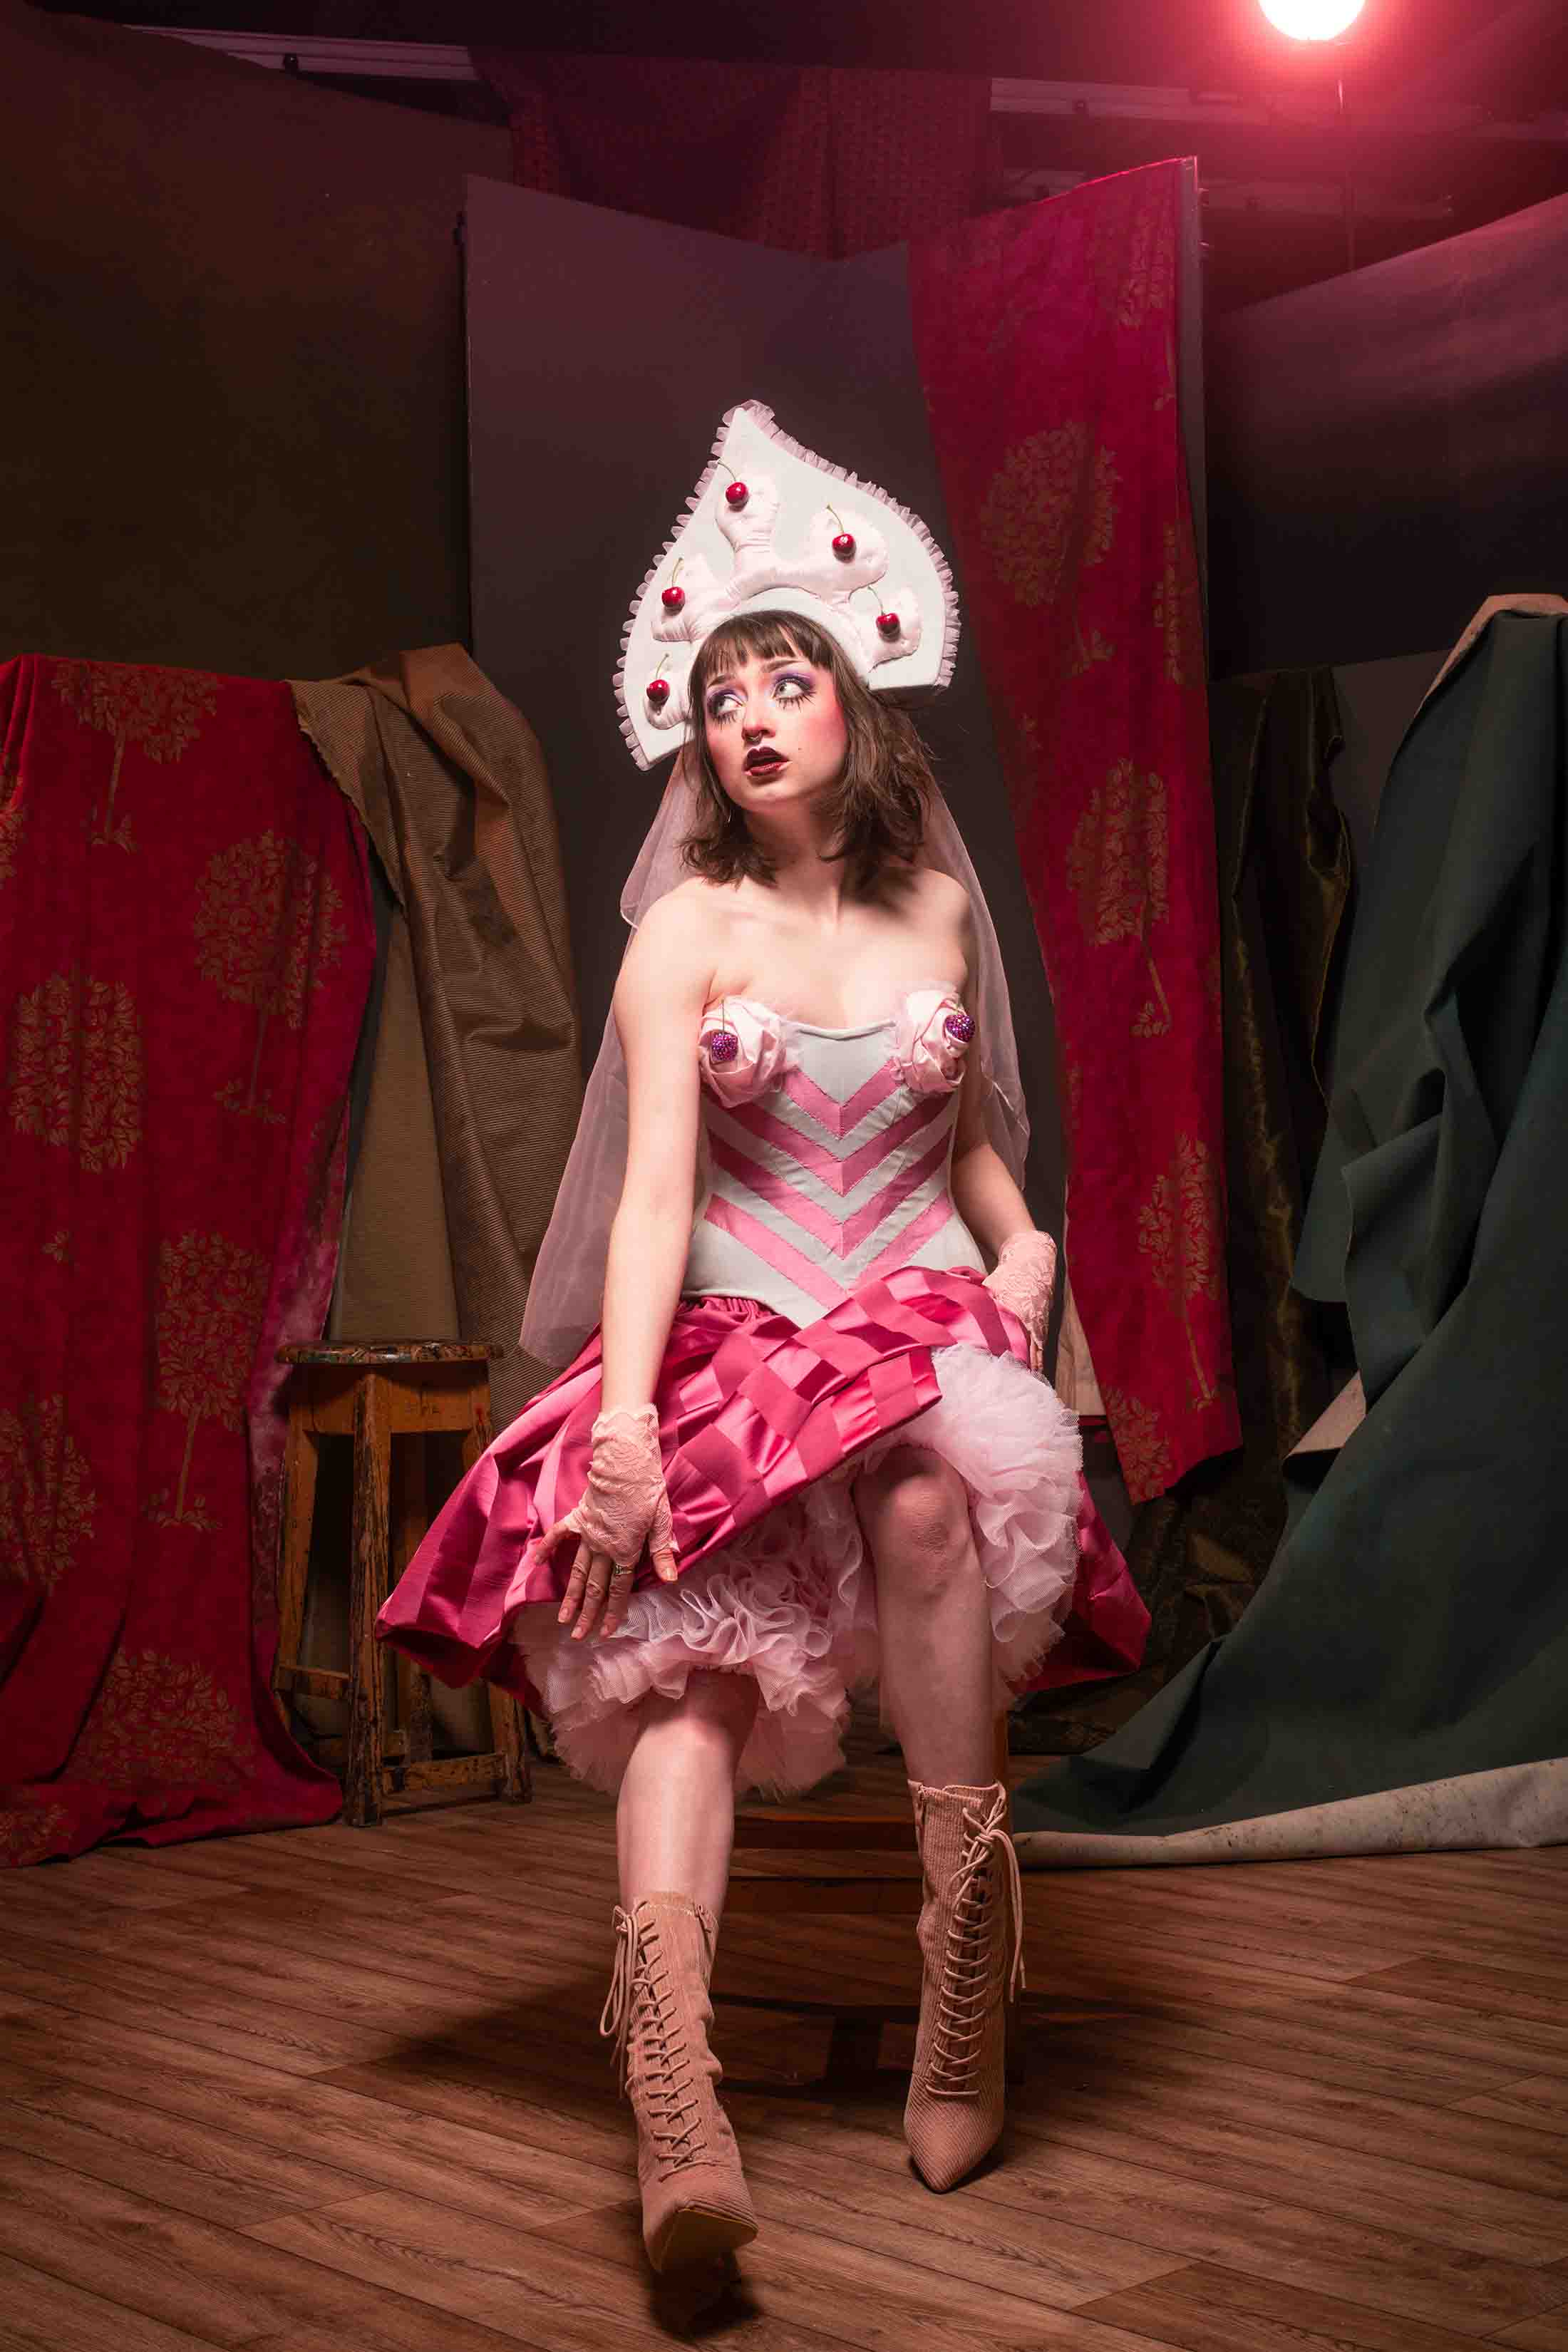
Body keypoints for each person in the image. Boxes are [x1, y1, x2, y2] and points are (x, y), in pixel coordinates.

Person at [376, 402, 1114, 2274]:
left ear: (858, 702)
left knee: (940, 1516)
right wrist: (624, 1427)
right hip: (731, 1347)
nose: (756, 716)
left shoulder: (940, 905)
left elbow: (979, 1153)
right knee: (685, 1663)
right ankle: (677, 2089)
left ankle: (966, 1977)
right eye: (723, 697)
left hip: (913, 1326)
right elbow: (646, 1200)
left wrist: (1027, 1261)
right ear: (699, 740)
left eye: (788, 677)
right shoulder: (680, 933)